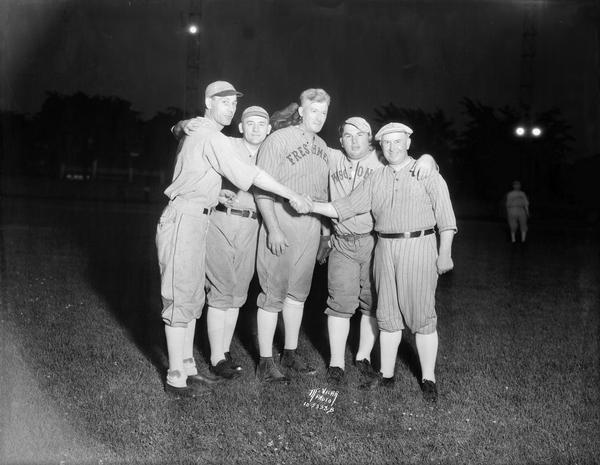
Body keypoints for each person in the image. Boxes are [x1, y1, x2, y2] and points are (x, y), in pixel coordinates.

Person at [156, 81, 310, 398]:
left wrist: (180, 126)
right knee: (179, 296)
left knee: (192, 298)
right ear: (208, 102)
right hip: (184, 217)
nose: (230, 107)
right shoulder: (210, 135)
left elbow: (179, 131)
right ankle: (175, 377)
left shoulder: (202, 131)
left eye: (232, 103)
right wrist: (291, 194)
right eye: (223, 102)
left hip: (200, 217)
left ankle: (188, 367)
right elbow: (252, 176)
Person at [297, 122, 457, 403]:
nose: (393, 147)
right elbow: (344, 207)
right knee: (387, 315)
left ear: (408, 143)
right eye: (387, 143)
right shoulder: (376, 177)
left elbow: (446, 219)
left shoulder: (426, 172)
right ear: (380, 147)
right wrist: (310, 205)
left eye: (398, 142)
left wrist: (445, 253)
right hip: (384, 246)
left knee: (421, 316)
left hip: (419, 246)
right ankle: (386, 375)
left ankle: (428, 378)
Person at [321, 117, 436, 386]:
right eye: (348, 135)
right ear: (340, 141)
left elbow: (411, 161)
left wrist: (429, 158)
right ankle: (337, 363)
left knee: (375, 304)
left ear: (371, 139)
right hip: (342, 240)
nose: (354, 140)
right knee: (339, 302)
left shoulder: (382, 159)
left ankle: (362, 357)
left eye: (360, 135)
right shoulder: (332, 157)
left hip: (374, 242)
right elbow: (306, 146)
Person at [172, 106, 273, 380]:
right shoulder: (225, 142)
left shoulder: (271, 152)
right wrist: (184, 124)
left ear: (269, 129)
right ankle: (217, 357)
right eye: (249, 123)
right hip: (222, 220)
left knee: (238, 292)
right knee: (221, 286)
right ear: (240, 127)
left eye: (261, 124)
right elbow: (183, 132)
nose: (255, 128)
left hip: (252, 224)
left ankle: (224, 351)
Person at [253, 88, 332, 383]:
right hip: (282, 222)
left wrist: (325, 233)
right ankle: (264, 361)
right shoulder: (277, 140)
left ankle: (290, 352)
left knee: (298, 295)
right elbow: (261, 188)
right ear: (301, 111)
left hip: (310, 228)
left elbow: (323, 196)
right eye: (314, 111)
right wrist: (272, 227)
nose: (319, 117)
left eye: (324, 112)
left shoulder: (324, 146)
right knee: (272, 294)